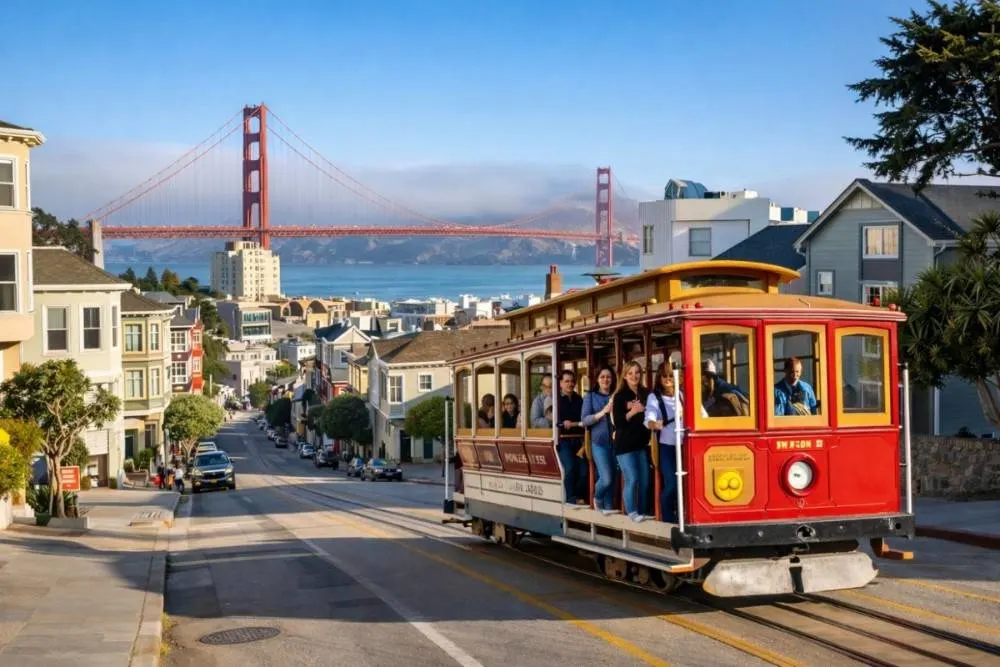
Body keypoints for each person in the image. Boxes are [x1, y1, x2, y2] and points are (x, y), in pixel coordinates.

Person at [645, 361, 706, 523]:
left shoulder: (683, 395)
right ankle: (667, 517)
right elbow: (649, 417)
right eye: (664, 376)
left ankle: (684, 515)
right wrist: (654, 423)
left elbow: (702, 414)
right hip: (666, 447)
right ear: (659, 377)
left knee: (688, 482)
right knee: (671, 482)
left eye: (671, 375)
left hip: (686, 446)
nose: (667, 379)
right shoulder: (654, 396)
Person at [612, 361, 651, 523]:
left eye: (637, 372)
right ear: (625, 376)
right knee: (632, 478)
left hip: (641, 443)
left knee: (645, 480)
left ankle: (642, 511)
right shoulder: (620, 396)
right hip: (624, 445)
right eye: (630, 373)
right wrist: (633, 412)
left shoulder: (646, 393)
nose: (634, 376)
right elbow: (618, 423)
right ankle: (632, 512)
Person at [582, 366, 616, 514]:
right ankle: (597, 497)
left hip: (616, 443)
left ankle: (608, 510)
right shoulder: (590, 396)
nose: (605, 380)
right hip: (598, 442)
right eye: (602, 377)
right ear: (597, 379)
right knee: (606, 478)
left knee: (613, 479)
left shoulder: (616, 395)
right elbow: (585, 420)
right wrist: (603, 412)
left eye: (608, 377)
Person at [555, 370, 586, 508]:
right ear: (561, 383)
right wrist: (562, 423)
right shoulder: (556, 401)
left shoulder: (579, 399)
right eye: (567, 381)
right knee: (570, 468)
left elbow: (584, 418)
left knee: (584, 470)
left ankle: (580, 495)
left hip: (579, 440)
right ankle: (570, 498)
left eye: (572, 381)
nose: (570, 384)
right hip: (563, 440)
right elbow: (554, 420)